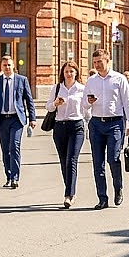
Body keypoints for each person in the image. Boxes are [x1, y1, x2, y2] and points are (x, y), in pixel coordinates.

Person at [82, 49, 129, 209]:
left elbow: (127, 103)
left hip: (115, 124)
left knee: (113, 158)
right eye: (95, 62)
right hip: (96, 123)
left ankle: (118, 188)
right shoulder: (91, 81)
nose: (97, 65)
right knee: (98, 163)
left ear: (108, 61)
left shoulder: (119, 79)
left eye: (100, 62)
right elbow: (84, 104)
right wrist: (89, 102)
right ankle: (102, 198)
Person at [0, 56, 37, 189]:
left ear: (13, 66)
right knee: (6, 149)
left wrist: (33, 118)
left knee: (14, 146)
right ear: (1, 67)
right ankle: (8, 176)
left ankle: (15, 177)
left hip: (16, 119)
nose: (7, 68)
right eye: (4, 65)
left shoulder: (22, 80)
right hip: (1, 120)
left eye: (9, 65)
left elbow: (29, 100)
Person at [46, 61, 87, 208]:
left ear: (76, 72)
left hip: (76, 127)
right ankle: (70, 190)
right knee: (64, 162)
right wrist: (55, 103)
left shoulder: (82, 89)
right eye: (66, 72)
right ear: (62, 73)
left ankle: (69, 194)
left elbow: (87, 110)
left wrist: (90, 127)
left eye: (71, 71)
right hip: (59, 127)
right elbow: (48, 107)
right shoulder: (57, 88)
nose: (69, 74)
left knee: (71, 160)